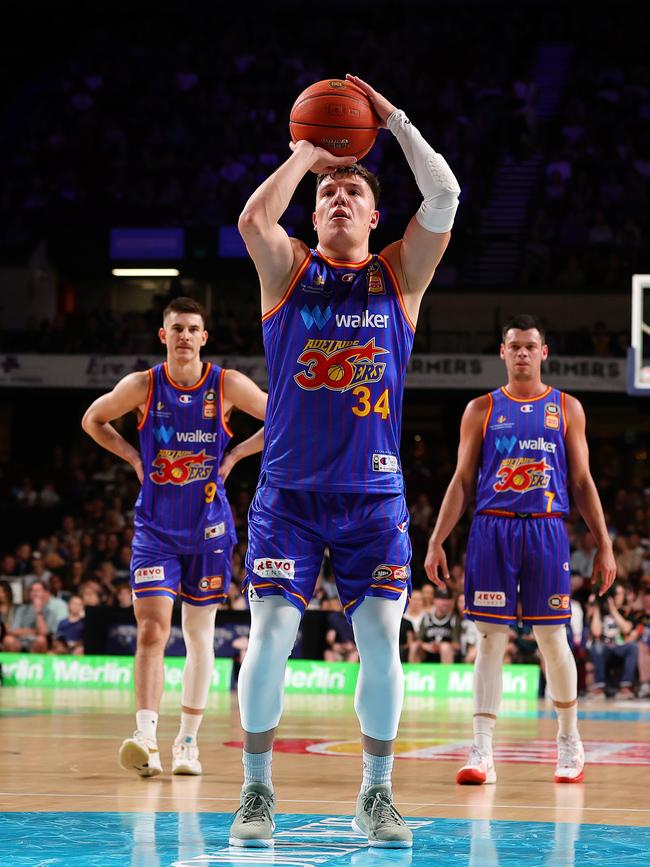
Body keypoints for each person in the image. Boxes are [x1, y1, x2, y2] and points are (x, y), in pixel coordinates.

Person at [231, 73, 459, 849]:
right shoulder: (286, 268)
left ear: (374, 212)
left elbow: (448, 195)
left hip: (373, 498)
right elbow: (254, 215)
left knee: (379, 640)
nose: (335, 198)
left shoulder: (399, 275)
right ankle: (256, 792)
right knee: (268, 637)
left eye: (351, 192)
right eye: (327, 193)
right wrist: (307, 153)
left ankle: (377, 792)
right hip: (288, 494)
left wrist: (390, 120)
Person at [425, 313, 616, 786]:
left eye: (531, 346)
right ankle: (481, 751)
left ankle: (570, 741)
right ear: (503, 353)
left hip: (547, 529)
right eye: (515, 346)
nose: (523, 353)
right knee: (490, 640)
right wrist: (436, 539)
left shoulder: (566, 407)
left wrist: (605, 546)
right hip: (492, 529)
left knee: (553, 639)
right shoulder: (481, 409)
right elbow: (462, 482)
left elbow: (582, 481)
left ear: (544, 352)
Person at [82, 296, 266, 778]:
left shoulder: (225, 385)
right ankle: (146, 737)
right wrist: (133, 458)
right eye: (176, 328)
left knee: (200, 635)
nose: (184, 335)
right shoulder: (143, 386)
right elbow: (92, 419)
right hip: (156, 528)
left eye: (193, 329)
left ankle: (187, 742)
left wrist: (235, 456)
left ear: (205, 337)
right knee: (151, 630)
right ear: (162, 336)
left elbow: (281, 417)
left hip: (209, 528)